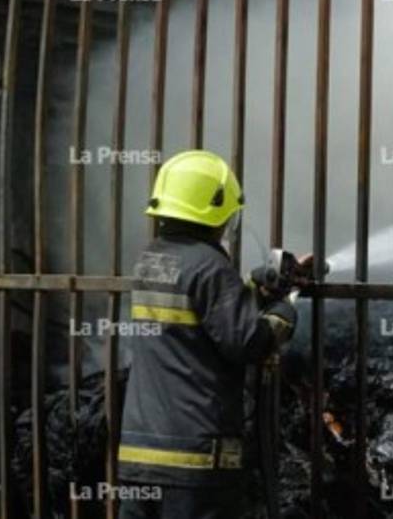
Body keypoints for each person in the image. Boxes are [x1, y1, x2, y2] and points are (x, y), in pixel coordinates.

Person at [117, 149, 299, 519]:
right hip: (195, 458)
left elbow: (198, 322)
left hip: (139, 454)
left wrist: (252, 292)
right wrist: (284, 310)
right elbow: (247, 342)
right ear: (216, 211)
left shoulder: (150, 260)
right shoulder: (211, 266)